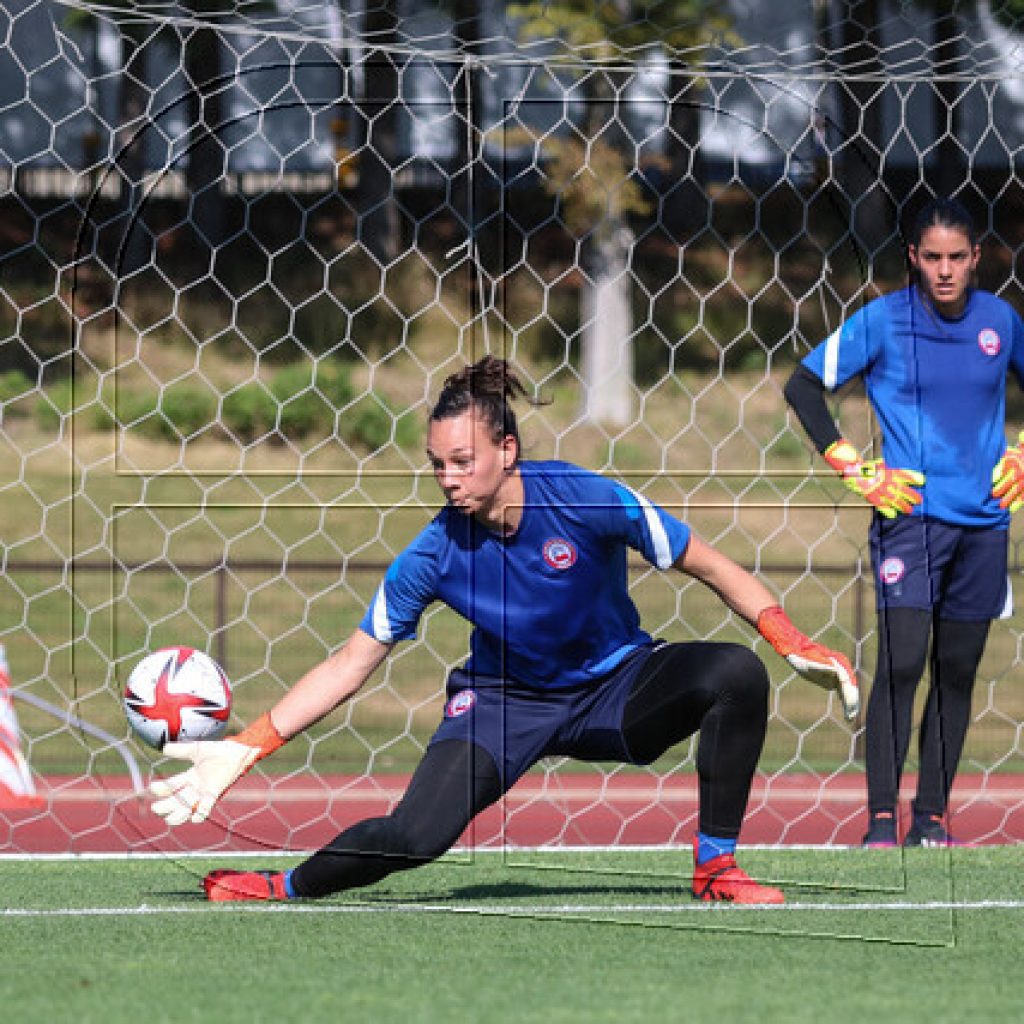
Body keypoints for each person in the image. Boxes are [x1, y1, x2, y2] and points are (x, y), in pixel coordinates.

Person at [151, 355, 858, 904]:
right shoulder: (432, 552)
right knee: (413, 837)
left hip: (616, 688)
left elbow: (711, 564)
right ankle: (283, 885)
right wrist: (242, 749)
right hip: (503, 702)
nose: (448, 478)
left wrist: (786, 636)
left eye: (463, 461)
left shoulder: (585, 498)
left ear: (509, 451)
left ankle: (716, 868)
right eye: (437, 464)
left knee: (734, 674)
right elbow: (347, 664)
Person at [784, 196, 1024, 848]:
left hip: (984, 524)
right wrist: (856, 470)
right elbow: (803, 386)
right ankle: (883, 819)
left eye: (957, 257)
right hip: (910, 521)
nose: (945, 270)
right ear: (913, 258)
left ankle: (934, 817)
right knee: (901, 664)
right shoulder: (884, 322)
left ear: (976, 258)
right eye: (932, 257)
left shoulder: (1001, 322)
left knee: (957, 669)